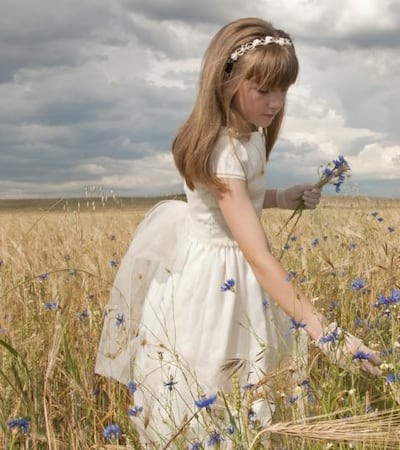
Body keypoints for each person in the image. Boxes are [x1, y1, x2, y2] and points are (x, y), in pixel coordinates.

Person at [94, 17, 381, 447]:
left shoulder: (249, 135)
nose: (276, 103)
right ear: (226, 81)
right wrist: (324, 331)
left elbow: (235, 205)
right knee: (215, 384)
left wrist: (281, 196)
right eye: (264, 90)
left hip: (233, 267)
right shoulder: (224, 152)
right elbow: (258, 256)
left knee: (244, 390)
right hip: (217, 282)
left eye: (284, 90)